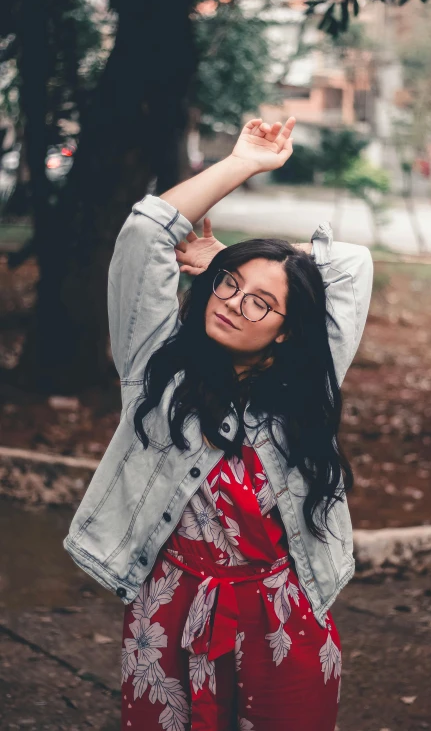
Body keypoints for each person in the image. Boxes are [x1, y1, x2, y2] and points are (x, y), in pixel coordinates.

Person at [63, 116, 374, 731]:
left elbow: (353, 267)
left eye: (260, 302)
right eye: (229, 284)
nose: (233, 301)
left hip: (285, 614)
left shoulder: (307, 384)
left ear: (287, 331)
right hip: (171, 616)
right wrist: (242, 165)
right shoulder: (156, 370)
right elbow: (145, 232)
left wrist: (241, 258)